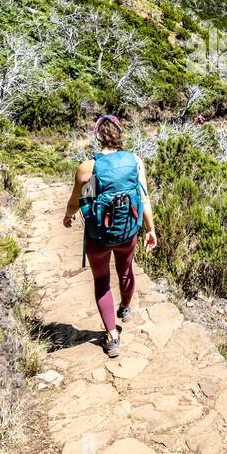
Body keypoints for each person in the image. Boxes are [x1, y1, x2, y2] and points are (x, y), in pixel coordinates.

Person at [63, 115, 157, 357]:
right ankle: (125, 308)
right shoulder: (134, 161)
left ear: (97, 136)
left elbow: (80, 198)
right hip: (128, 231)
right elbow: (144, 198)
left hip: (99, 236)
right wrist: (150, 229)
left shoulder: (89, 167)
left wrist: (68, 215)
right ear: (119, 133)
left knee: (102, 280)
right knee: (125, 271)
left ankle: (112, 337)